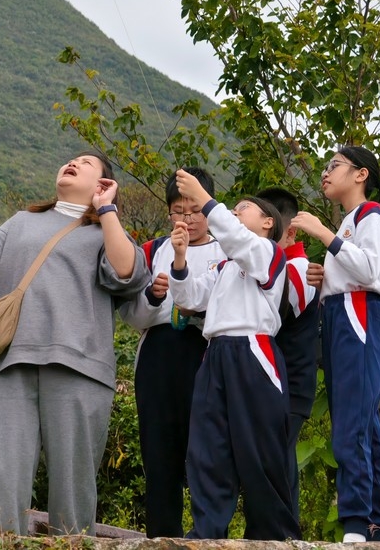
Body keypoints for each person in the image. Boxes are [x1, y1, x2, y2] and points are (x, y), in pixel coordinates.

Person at [0, 151, 148, 536]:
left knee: (73, 482)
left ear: (103, 183)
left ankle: (73, 545)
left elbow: (126, 272)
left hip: (81, 366)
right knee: (1, 474)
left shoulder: (106, 230)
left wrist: (107, 210)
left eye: (86, 163)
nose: (73, 163)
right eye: (71, 160)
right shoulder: (22, 221)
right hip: (10, 360)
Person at [168, 169, 301, 540]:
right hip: (215, 353)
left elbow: (238, 240)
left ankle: (274, 535)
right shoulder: (224, 266)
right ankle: (207, 530)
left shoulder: (269, 254)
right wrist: (179, 259)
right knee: (207, 447)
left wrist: (205, 200)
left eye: (243, 208)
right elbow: (189, 299)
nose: (235, 212)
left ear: (268, 222)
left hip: (252, 351)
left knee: (259, 448)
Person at [292, 146, 380, 543]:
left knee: (352, 422)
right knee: (361, 422)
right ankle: (374, 522)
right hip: (341, 313)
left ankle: (357, 521)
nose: (325, 172)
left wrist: (323, 233)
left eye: (333, 165)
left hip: (360, 313)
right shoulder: (352, 222)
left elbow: (369, 271)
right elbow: (354, 267)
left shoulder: (372, 214)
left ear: (360, 174)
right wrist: (327, 275)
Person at [118, 167, 224, 537]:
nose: (187, 219)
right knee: (159, 450)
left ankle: (209, 535)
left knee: (206, 448)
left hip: (207, 353)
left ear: (209, 208)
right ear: (168, 213)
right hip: (158, 356)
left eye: (194, 210)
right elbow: (131, 316)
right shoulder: (152, 251)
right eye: (178, 211)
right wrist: (152, 296)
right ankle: (162, 536)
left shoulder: (227, 250)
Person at [257, 185, 319, 521]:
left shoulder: (300, 269)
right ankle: (283, 533)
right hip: (274, 386)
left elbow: (268, 315)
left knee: (275, 463)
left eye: (270, 227)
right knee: (279, 462)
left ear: (290, 230)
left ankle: (280, 534)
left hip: (291, 387)